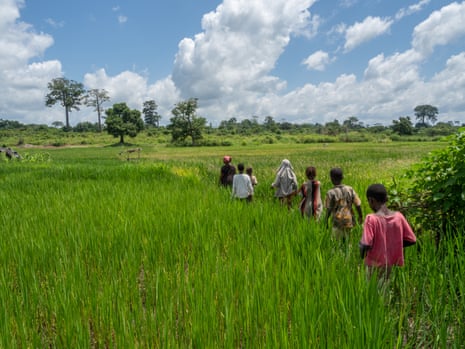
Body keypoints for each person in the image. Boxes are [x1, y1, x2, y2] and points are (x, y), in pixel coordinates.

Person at [359, 183, 416, 281]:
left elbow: (365, 244)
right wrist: (392, 248)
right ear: (386, 198)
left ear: (371, 200)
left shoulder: (371, 219)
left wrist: (361, 255)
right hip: (388, 264)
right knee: (384, 289)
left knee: (371, 292)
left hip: (373, 264)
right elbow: (412, 240)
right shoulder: (398, 216)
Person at [324, 167, 362, 241]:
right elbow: (358, 204)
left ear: (331, 178)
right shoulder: (350, 189)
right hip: (349, 221)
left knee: (336, 243)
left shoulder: (330, 192)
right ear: (342, 177)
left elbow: (328, 209)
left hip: (337, 222)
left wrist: (326, 221)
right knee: (348, 243)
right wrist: (360, 216)